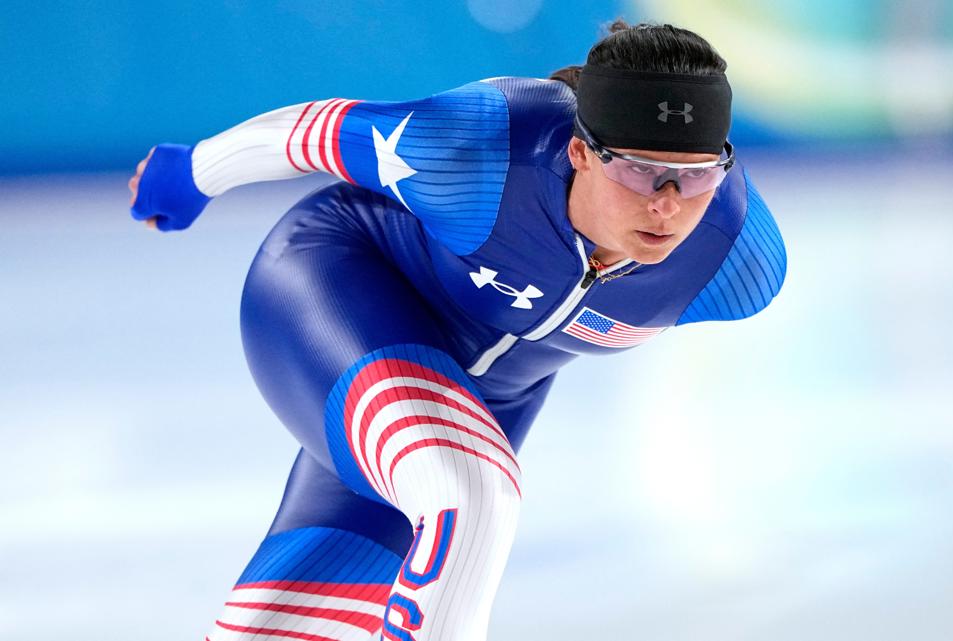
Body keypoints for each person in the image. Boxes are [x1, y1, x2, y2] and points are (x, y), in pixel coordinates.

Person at [129, 20, 786, 641]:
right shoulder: (485, 150)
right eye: (639, 169)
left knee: (296, 617)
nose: (667, 203)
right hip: (335, 287)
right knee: (472, 493)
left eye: (697, 174)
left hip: (483, 398)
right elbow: (320, 130)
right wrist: (193, 172)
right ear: (580, 152)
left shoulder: (733, 263)